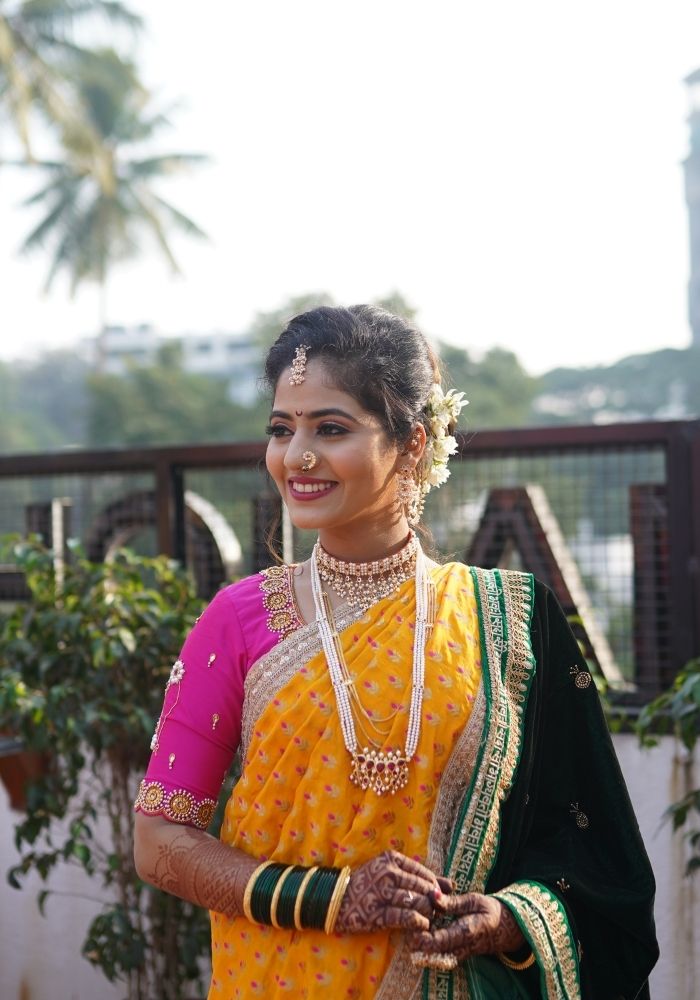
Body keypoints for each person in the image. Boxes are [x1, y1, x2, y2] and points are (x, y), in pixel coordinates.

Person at [133, 305, 658, 999]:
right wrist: (327, 899)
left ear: (412, 444)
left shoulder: (509, 622)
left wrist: (508, 920)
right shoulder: (238, 620)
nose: (297, 457)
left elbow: (591, 853)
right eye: (281, 429)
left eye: (332, 428)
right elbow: (160, 842)